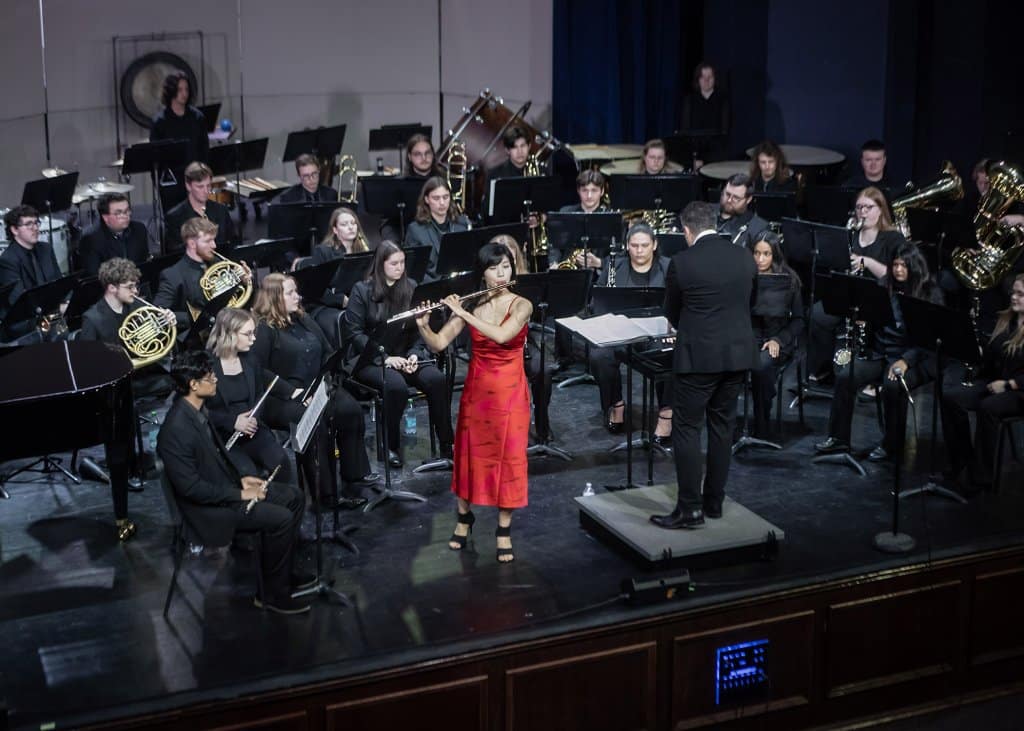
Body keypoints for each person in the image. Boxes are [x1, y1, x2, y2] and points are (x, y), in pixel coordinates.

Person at [157, 349, 311, 615]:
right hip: (207, 511)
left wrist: (242, 480)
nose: (215, 379)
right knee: (281, 518)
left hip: (224, 489)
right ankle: (271, 594)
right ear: (193, 385)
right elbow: (191, 489)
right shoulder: (176, 430)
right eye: (210, 376)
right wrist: (240, 495)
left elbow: (217, 460)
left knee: (294, 497)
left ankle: (281, 574)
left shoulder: (198, 411)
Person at [415, 242, 533, 562]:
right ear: (483, 273)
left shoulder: (522, 305)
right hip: (478, 393)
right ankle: (464, 518)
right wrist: (424, 326)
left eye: (506, 266)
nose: (501, 274)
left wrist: (463, 312)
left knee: (509, 458)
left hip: (510, 393)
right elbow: (439, 343)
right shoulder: (473, 303)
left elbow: (502, 336)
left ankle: (503, 530)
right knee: (469, 457)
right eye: (494, 268)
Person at [651, 201, 756, 529]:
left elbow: (671, 312)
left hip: (698, 358)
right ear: (715, 223)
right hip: (737, 356)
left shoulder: (682, 262)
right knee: (723, 429)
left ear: (686, 230)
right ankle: (714, 503)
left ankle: (690, 510)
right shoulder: (745, 256)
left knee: (686, 428)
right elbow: (749, 303)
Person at [250, 273, 375, 509]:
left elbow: (327, 350)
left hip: (315, 387)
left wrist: (326, 380)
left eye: (296, 291)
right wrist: (292, 392)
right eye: (290, 293)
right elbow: (258, 370)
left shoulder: (303, 318)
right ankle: (325, 496)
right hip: (281, 396)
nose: (297, 296)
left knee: (350, 410)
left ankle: (354, 474)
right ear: (274, 298)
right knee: (315, 424)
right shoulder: (264, 329)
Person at [814, 243, 943, 461]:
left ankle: (892, 445)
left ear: (915, 267)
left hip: (914, 358)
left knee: (893, 386)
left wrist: (905, 361)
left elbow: (930, 340)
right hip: (881, 353)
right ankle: (838, 439)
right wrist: (864, 318)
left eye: (904, 266)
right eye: (896, 265)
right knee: (846, 377)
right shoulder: (884, 285)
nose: (898, 270)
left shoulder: (930, 293)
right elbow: (873, 315)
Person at [342, 242, 453, 467]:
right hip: (370, 359)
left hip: (405, 356)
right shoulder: (362, 290)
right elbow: (354, 333)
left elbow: (418, 329)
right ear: (380, 264)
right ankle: (390, 446)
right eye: (394, 263)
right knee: (395, 387)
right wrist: (385, 358)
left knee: (437, 379)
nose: (400, 268)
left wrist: (414, 354)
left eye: (402, 262)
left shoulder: (411, 287)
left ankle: (446, 443)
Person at [808, 186, 906, 381]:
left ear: (881, 210)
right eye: (860, 207)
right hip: (850, 294)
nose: (863, 212)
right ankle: (823, 368)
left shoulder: (893, 238)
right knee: (817, 314)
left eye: (869, 207)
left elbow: (897, 275)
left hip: (879, 297)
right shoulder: (851, 234)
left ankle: (868, 371)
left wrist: (866, 262)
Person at [940, 274, 1024, 491]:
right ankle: (961, 460)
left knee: (988, 407)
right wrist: (976, 349)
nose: (1014, 297)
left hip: (1018, 390)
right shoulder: (1005, 320)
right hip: (995, 381)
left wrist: (1008, 385)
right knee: (951, 397)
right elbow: (992, 355)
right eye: (1013, 292)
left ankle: (980, 478)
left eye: (1020, 294)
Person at [591, 224, 673, 443]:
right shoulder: (613, 266)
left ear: (654, 245)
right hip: (621, 332)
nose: (639, 250)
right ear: (627, 246)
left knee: (671, 354)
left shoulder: (668, 268)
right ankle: (616, 404)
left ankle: (666, 413)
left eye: (644, 245)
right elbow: (598, 302)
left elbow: (678, 302)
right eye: (634, 245)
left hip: (656, 334)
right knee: (599, 357)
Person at [206, 308, 299, 483]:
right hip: (222, 436)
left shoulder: (250, 360)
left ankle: (285, 499)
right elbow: (198, 410)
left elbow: (259, 396)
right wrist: (232, 422)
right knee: (247, 474)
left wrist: (254, 418)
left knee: (280, 462)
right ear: (230, 334)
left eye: (253, 333)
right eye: (247, 334)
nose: (254, 339)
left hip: (253, 429)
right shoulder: (206, 365)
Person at [491, 233, 555, 445]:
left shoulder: (529, 283)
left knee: (543, 370)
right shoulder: (484, 285)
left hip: (524, 341)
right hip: (494, 344)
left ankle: (542, 421)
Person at [80, 257, 175, 398]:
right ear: (112, 288)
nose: (135, 291)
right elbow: (87, 363)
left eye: (135, 285)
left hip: (144, 372)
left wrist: (165, 323)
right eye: (130, 287)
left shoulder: (138, 306)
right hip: (115, 383)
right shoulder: (93, 319)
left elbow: (156, 341)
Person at [748, 233, 805, 437]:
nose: (760, 259)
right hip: (749, 337)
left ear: (775, 255)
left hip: (778, 339)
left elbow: (798, 320)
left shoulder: (790, 281)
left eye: (766, 254)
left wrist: (778, 340)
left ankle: (761, 423)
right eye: (756, 253)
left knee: (761, 365)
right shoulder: (745, 276)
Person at [0, 205, 63, 342]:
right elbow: (20, 300)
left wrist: (66, 302)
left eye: (36, 223)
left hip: (50, 314)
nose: (35, 228)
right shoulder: (7, 260)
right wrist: (55, 310)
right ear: (14, 230)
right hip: (26, 320)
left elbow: (60, 283)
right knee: (58, 332)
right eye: (28, 224)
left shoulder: (46, 249)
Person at [150, 72, 209, 211]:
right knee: (174, 219)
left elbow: (204, 150)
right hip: (172, 182)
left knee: (198, 218)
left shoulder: (197, 117)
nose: (184, 94)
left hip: (195, 178)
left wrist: (204, 177)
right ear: (171, 91)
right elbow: (155, 157)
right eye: (180, 89)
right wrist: (158, 184)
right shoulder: (160, 121)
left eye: (186, 89)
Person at [154, 217, 223, 329]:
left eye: (214, 240)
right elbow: (158, 312)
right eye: (208, 241)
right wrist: (191, 318)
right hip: (195, 334)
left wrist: (243, 280)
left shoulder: (218, 263)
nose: (214, 245)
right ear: (192, 244)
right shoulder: (173, 275)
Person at [403, 177, 470, 281]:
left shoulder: (462, 224)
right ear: (426, 199)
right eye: (436, 198)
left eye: (445, 197)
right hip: (429, 286)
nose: (442, 203)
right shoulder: (415, 230)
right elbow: (413, 270)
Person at [164, 162, 237, 253]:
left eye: (208, 186)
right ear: (188, 186)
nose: (206, 191)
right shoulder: (174, 217)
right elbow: (174, 252)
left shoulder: (221, 210)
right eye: (200, 187)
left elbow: (233, 243)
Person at [78, 193, 151, 276]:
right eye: (118, 213)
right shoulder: (91, 239)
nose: (125, 216)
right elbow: (94, 276)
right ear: (105, 217)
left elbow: (144, 264)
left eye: (127, 211)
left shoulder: (139, 229)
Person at [679, 62, 730, 167]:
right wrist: (693, 158)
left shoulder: (723, 100)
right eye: (703, 77)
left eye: (710, 77)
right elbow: (685, 130)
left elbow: (725, 131)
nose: (706, 80)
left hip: (717, 154)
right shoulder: (690, 100)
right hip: (696, 153)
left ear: (715, 79)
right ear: (698, 79)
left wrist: (709, 159)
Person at [556, 169, 609, 269]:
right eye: (585, 190)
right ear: (578, 190)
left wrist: (599, 262)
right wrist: (554, 263)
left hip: (600, 274)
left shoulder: (610, 217)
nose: (589, 196)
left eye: (594, 190)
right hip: (567, 271)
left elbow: (620, 255)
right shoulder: (565, 212)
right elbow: (554, 246)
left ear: (602, 191)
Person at [715, 174, 769, 249]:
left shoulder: (758, 227)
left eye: (736, 198)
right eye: (727, 194)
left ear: (748, 199)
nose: (729, 200)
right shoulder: (705, 211)